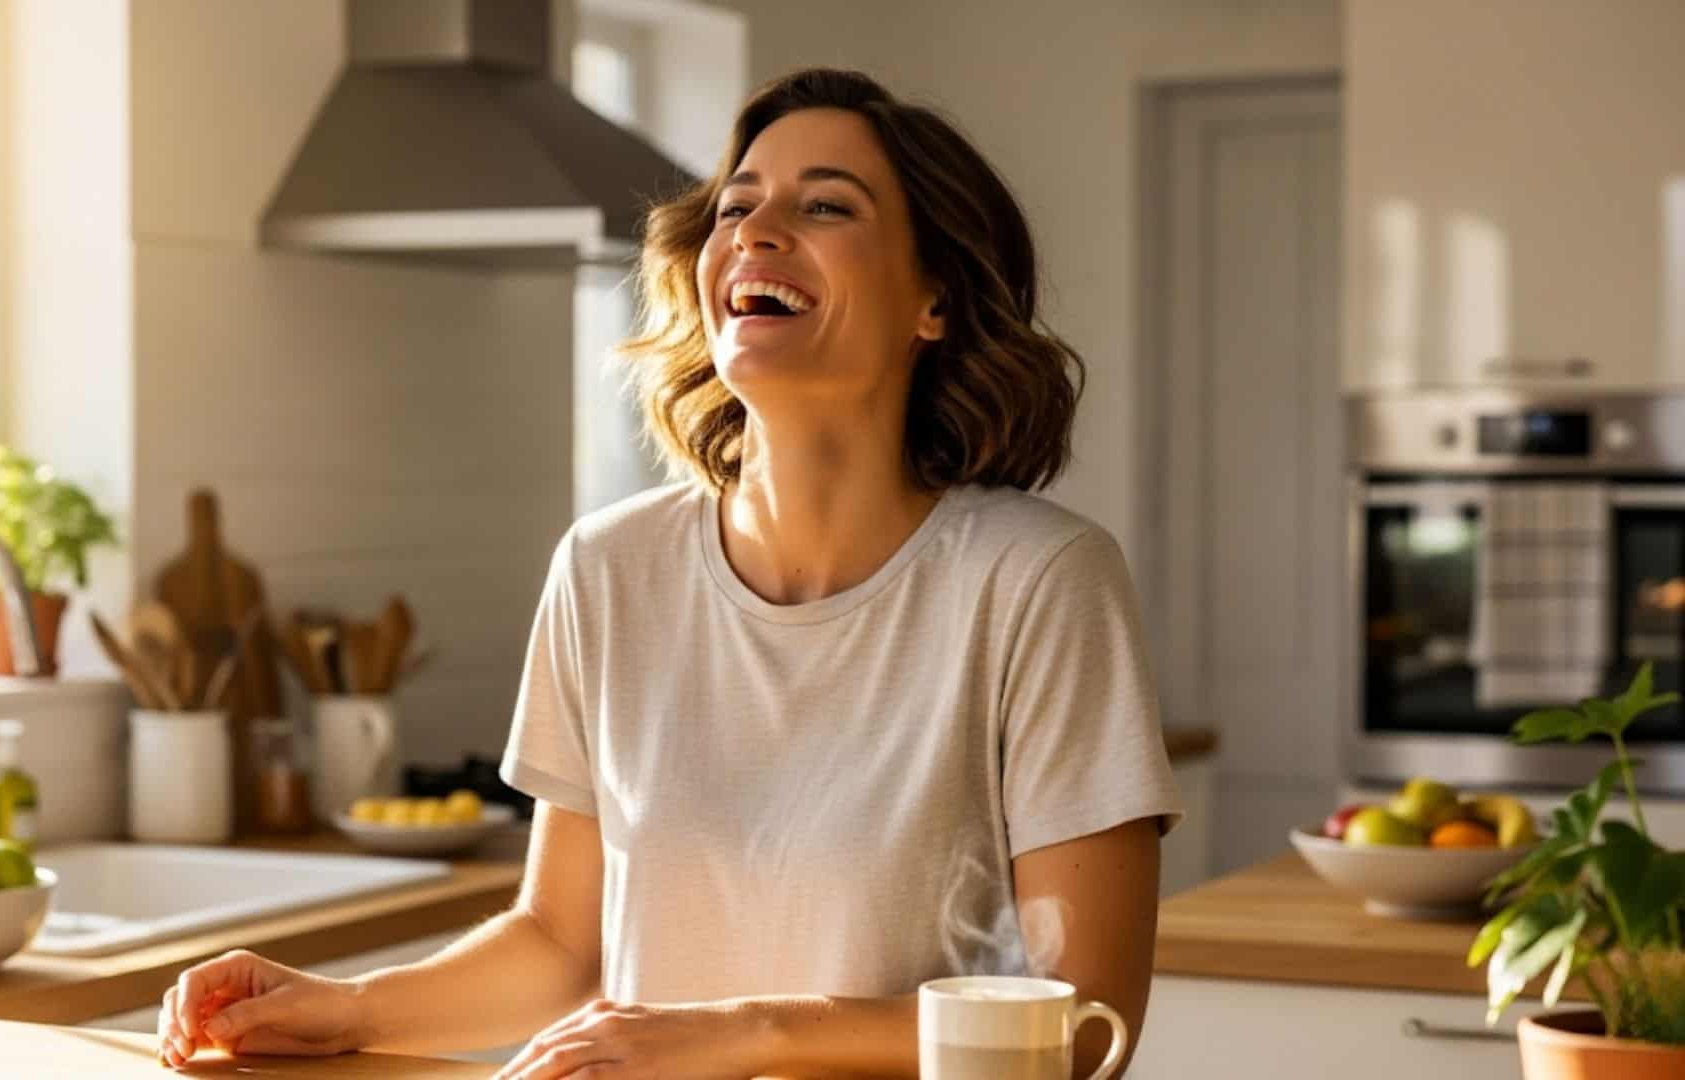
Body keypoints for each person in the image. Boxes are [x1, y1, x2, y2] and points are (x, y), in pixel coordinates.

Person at [158, 67, 1182, 1079]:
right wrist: (345, 1009)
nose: (755, 231)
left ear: (936, 301)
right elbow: (564, 941)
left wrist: (741, 1033)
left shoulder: (1039, 584)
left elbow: (1082, 1020)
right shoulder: (610, 570)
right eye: (737, 205)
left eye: (825, 205)